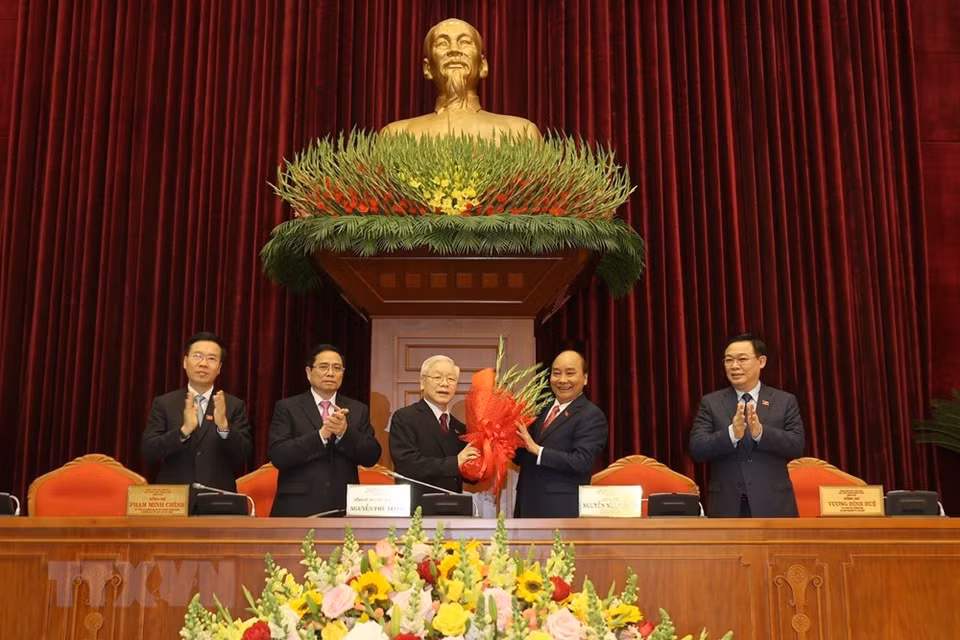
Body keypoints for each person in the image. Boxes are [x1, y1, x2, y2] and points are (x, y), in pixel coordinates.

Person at [689, 333, 806, 517]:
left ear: (761, 361)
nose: (734, 366)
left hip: (774, 504)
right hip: (727, 504)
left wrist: (761, 433)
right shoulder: (711, 402)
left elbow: (797, 445)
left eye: (742, 359)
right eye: (728, 360)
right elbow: (697, 448)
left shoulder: (784, 401)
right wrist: (731, 434)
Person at [268, 344, 382, 517]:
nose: (330, 373)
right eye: (323, 367)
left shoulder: (358, 409)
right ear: (308, 372)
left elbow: (371, 455)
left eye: (337, 368)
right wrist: (321, 435)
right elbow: (279, 455)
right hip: (297, 507)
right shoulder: (287, 407)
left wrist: (345, 433)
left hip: (343, 506)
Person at [381, 18, 541, 141]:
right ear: (427, 68)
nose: (454, 50)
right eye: (442, 43)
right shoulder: (396, 135)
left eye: (464, 42)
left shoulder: (521, 133)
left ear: (483, 66)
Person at [141, 332, 252, 491]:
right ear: (185, 362)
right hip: (174, 500)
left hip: (217, 498)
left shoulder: (233, 405)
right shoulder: (164, 403)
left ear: (219, 368)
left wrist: (224, 428)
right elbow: (149, 452)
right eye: (197, 356)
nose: (203, 364)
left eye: (211, 358)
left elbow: (243, 455)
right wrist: (183, 431)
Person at [514, 349, 608, 518]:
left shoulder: (591, 415)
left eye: (570, 373)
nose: (562, 380)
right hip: (527, 504)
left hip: (561, 510)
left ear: (585, 378)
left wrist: (538, 450)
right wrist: (502, 439)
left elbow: (582, 462)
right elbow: (524, 456)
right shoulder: (540, 409)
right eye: (556, 373)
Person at [389, 355, 480, 508]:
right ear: (422, 383)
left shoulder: (459, 428)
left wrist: (481, 462)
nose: (445, 384)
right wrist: (455, 462)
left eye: (451, 379)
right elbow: (407, 464)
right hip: (415, 509)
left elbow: (468, 476)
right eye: (437, 377)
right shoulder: (405, 418)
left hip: (453, 508)